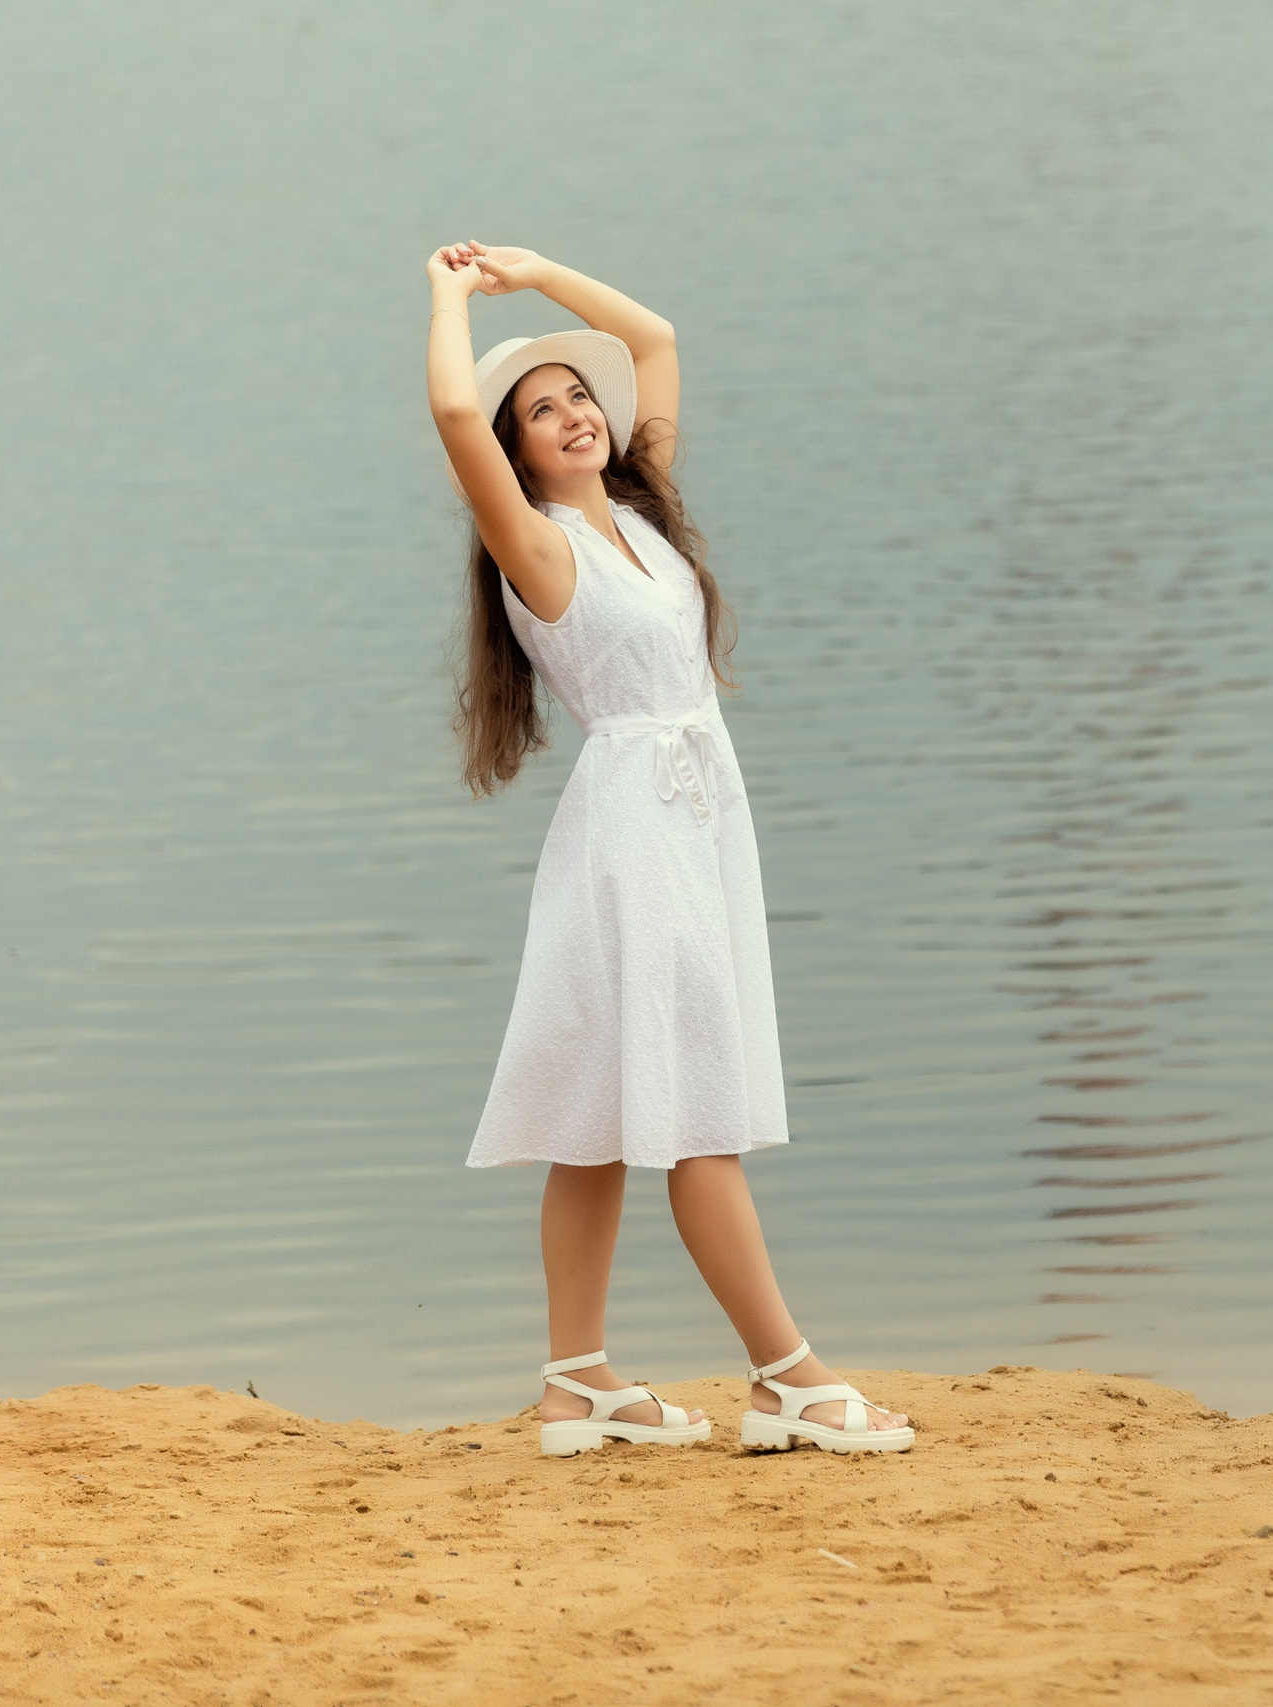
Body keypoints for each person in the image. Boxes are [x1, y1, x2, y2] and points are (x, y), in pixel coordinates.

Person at [425, 240, 912, 1458]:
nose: (574, 415)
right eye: (541, 412)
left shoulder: (641, 514)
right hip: (637, 832)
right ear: (516, 454)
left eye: (576, 396)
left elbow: (653, 340)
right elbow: (453, 412)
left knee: (594, 1120)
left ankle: (576, 1383)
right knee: (699, 1112)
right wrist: (450, 297)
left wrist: (536, 272)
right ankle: (789, 1377)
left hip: (695, 817)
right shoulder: (539, 549)